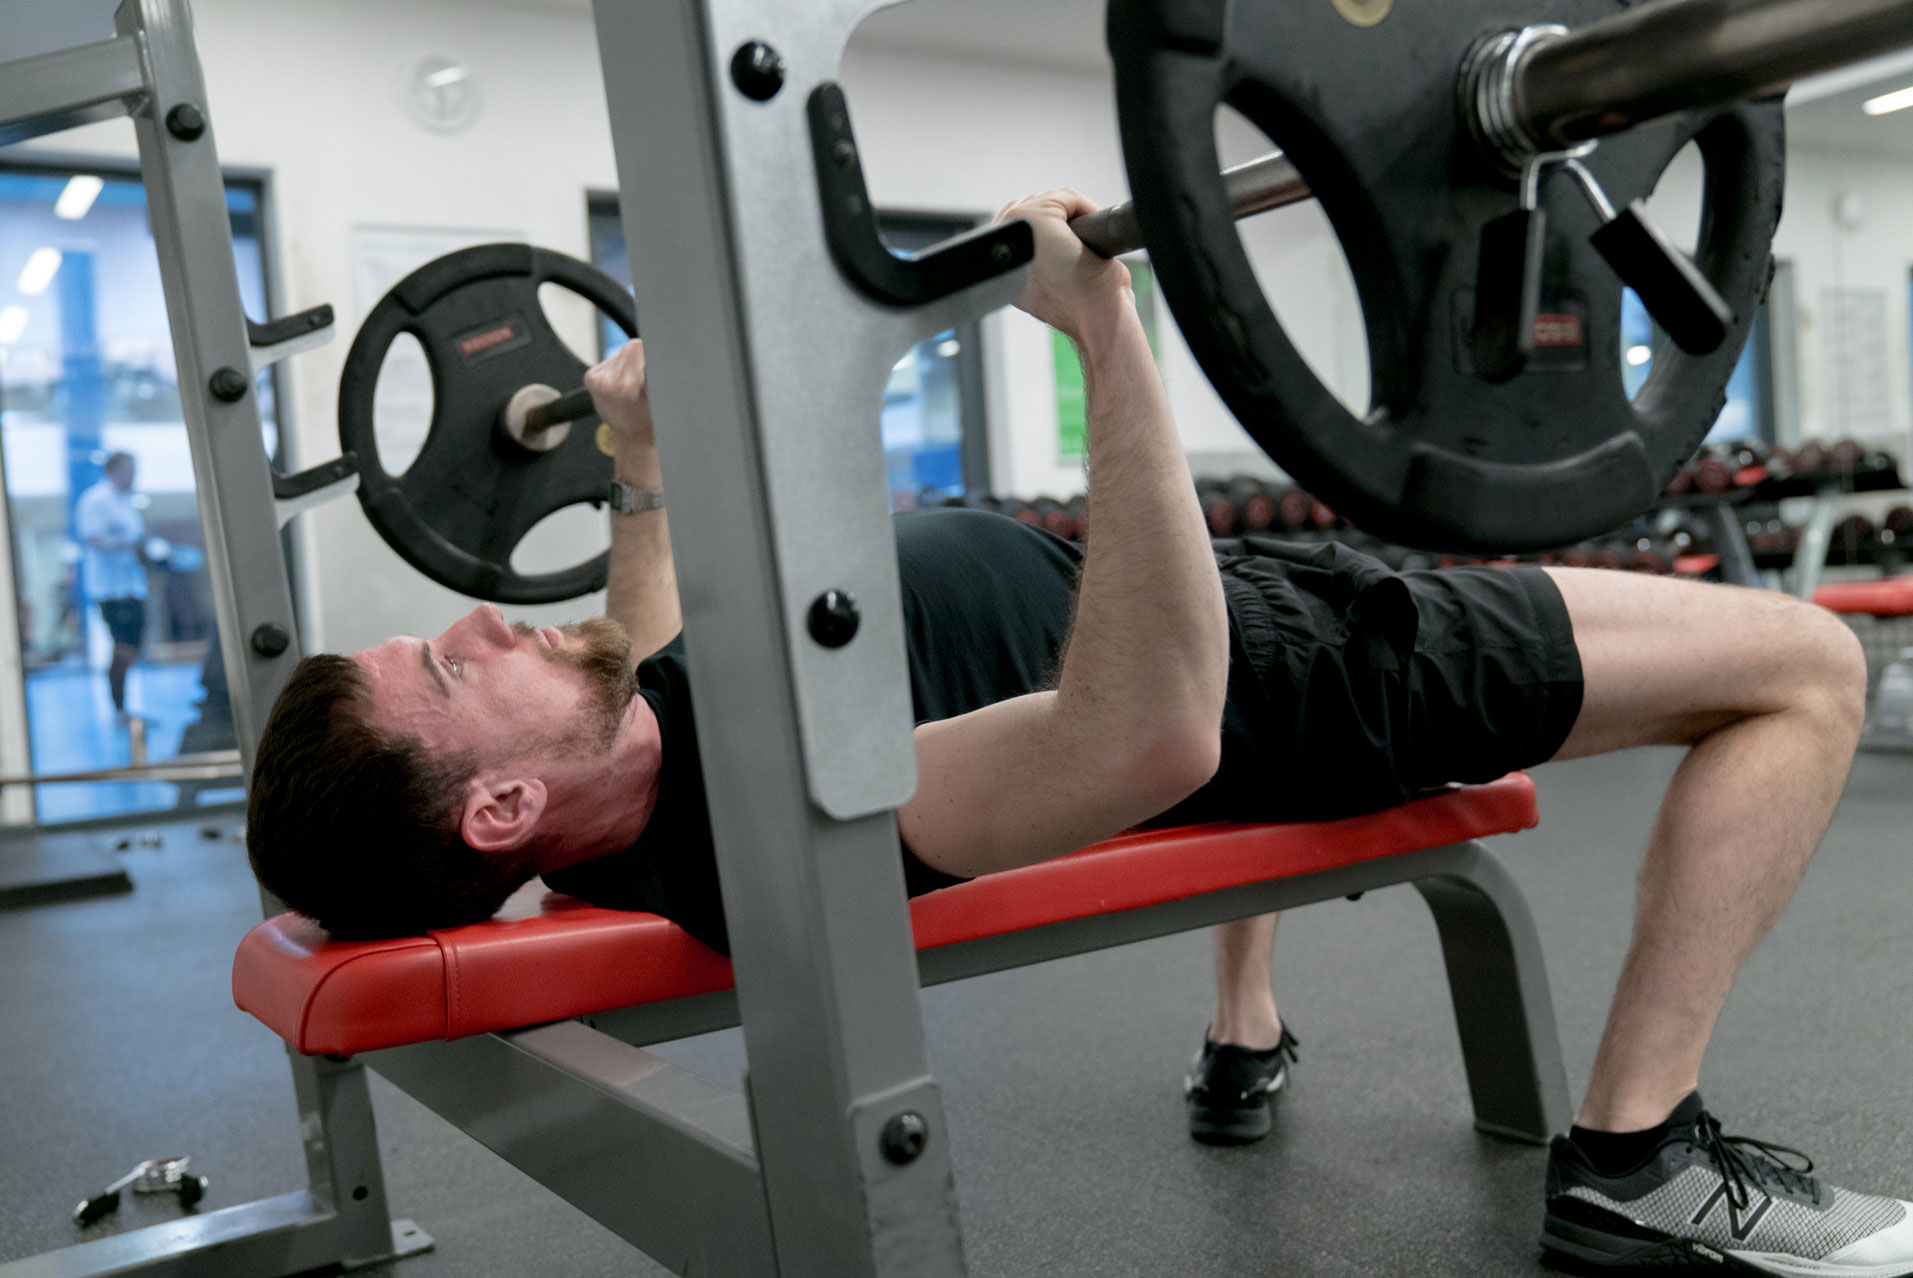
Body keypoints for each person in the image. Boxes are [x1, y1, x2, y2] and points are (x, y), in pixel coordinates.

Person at [246, 191, 1910, 1275]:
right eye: (448, 670)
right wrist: (1106, 329)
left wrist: (633, 458)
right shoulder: (783, 826)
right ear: (501, 807)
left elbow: (650, 628)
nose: (471, 620)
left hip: (1241, 598)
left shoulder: (645, 752)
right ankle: (1636, 1150)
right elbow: (1152, 726)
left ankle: (1246, 1022)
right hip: (1302, 673)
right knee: (1801, 664)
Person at [74, 451, 148, 717]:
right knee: (123, 648)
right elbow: (91, 538)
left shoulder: (125, 501)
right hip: (111, 590)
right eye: (129, 469)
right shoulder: (96, 500)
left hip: (132, 586)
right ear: (114, 470)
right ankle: (119, 708)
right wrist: (125, 545)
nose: (133, 475)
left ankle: (123, 706)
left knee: (133, 648)